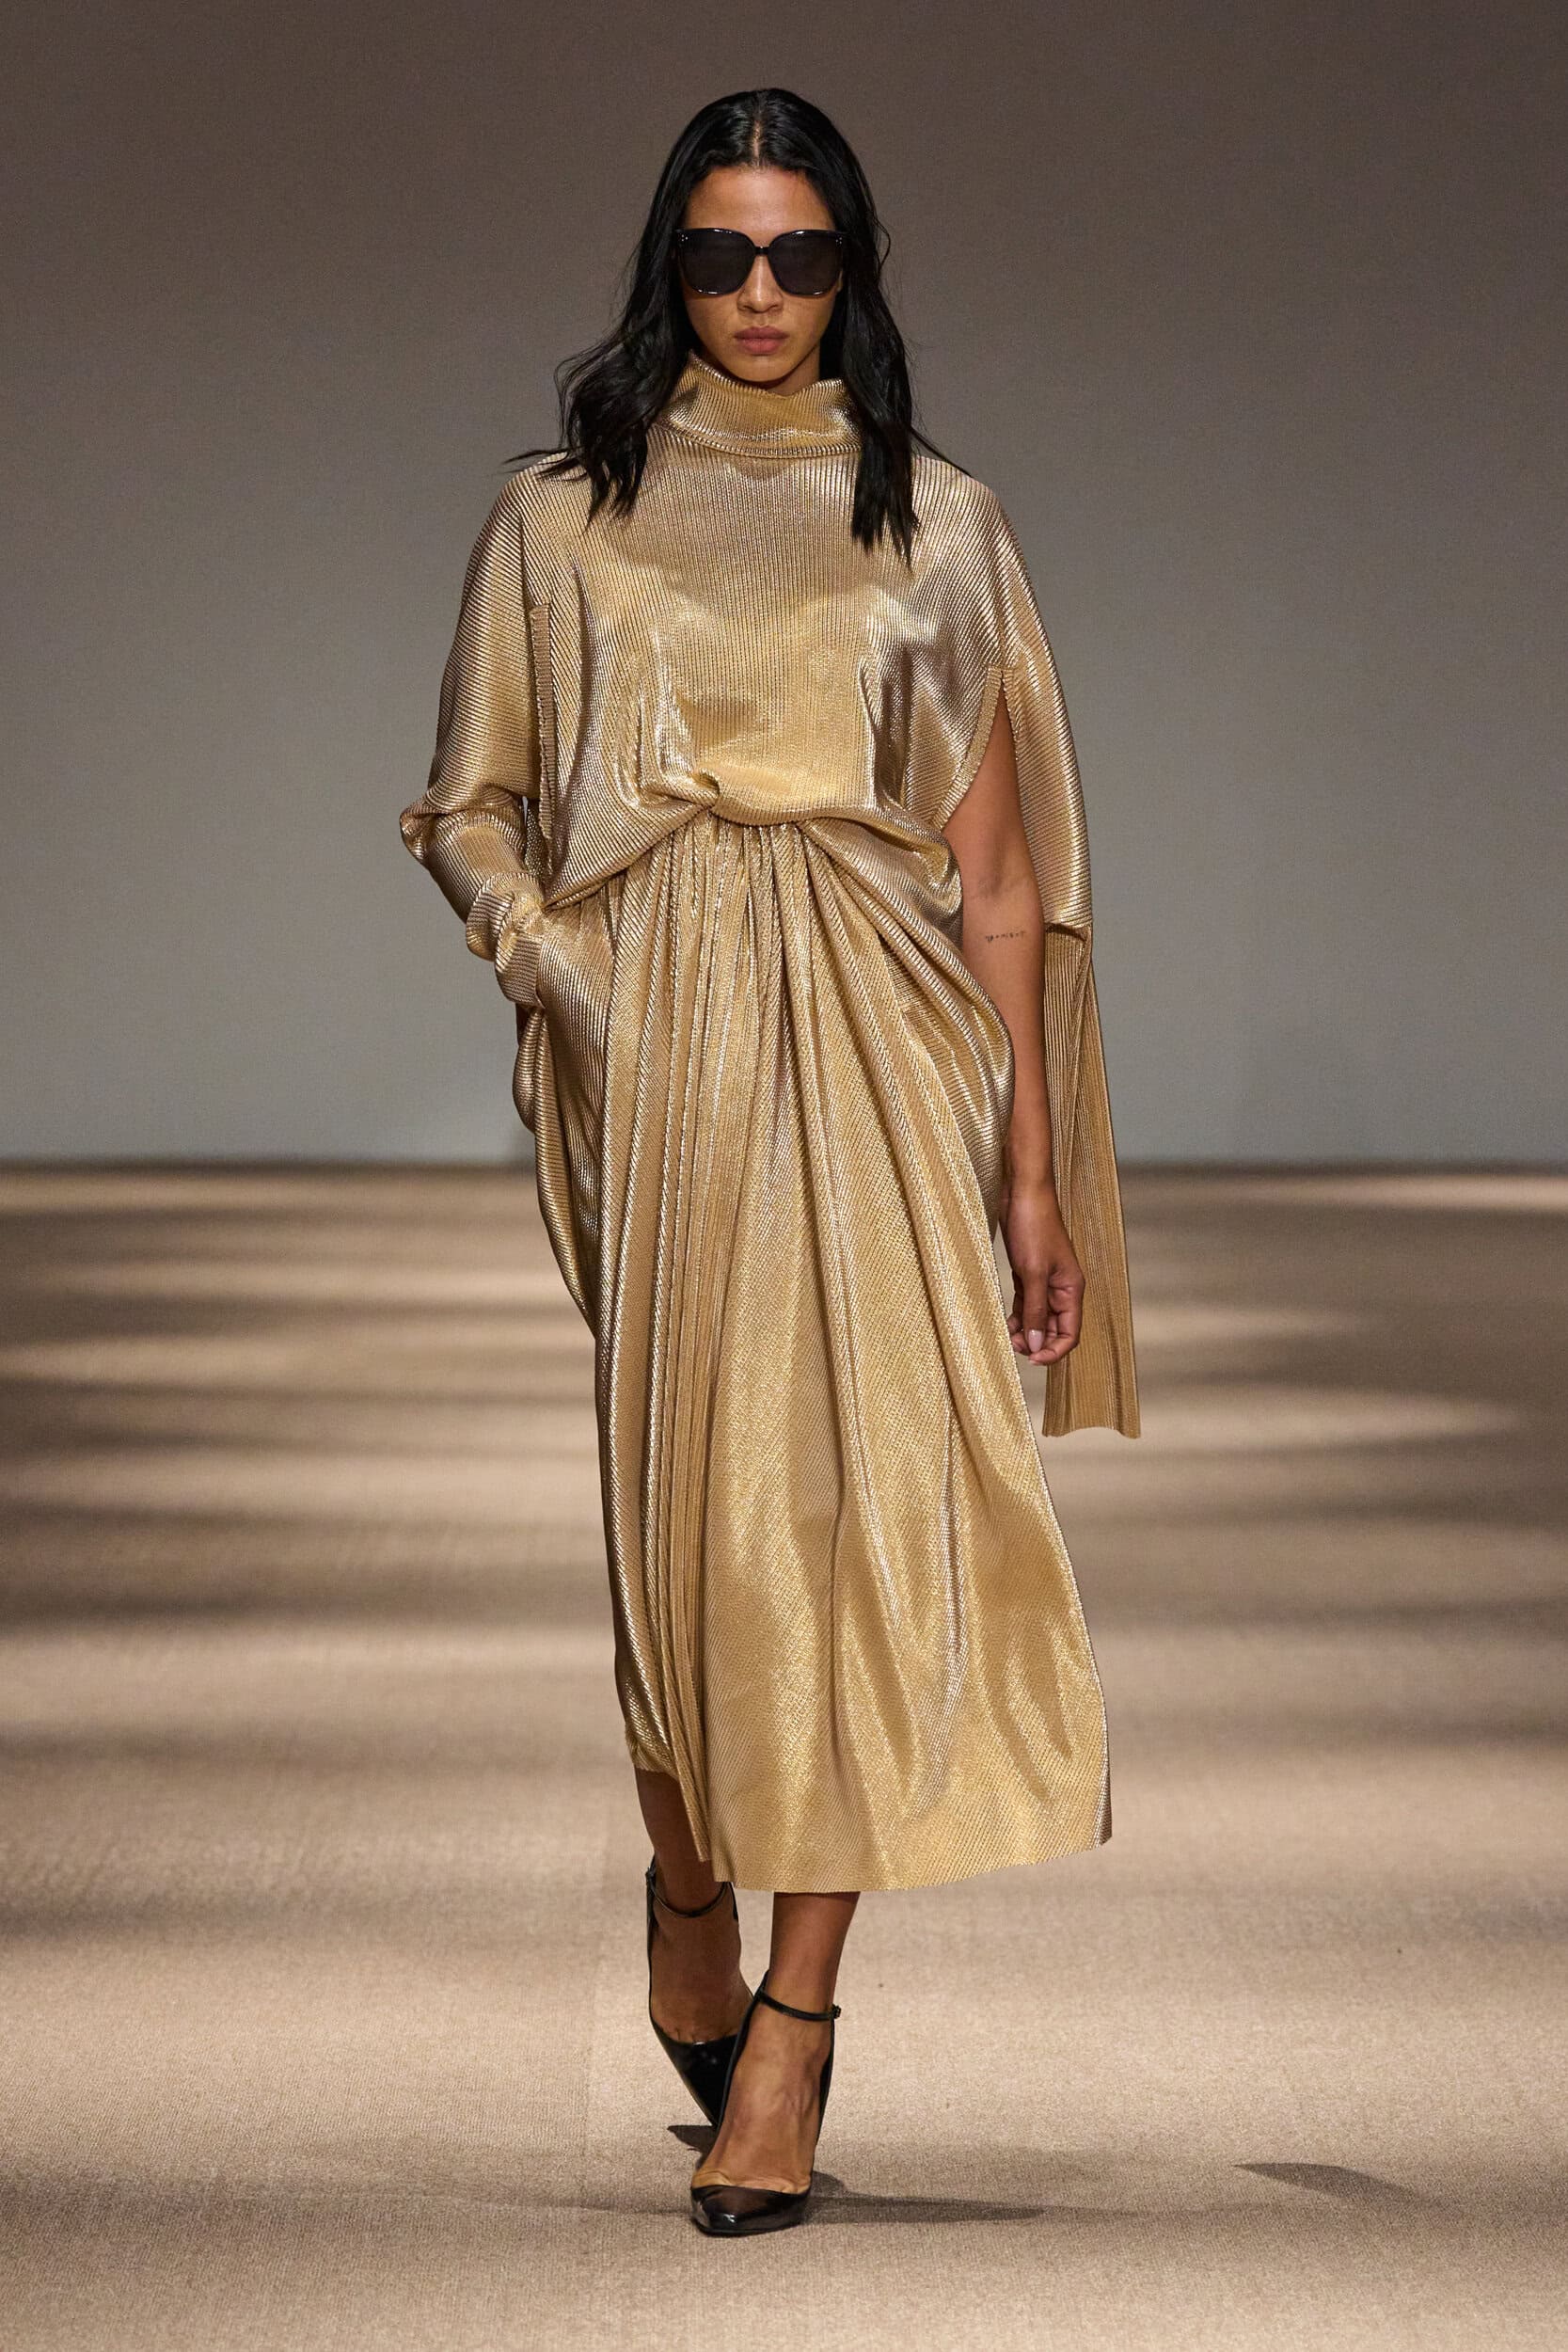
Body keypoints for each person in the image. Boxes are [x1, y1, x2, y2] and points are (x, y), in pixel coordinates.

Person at [400, 87, 1140, 2238]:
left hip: (893, 1043)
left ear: (851, 273)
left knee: (868, 1516)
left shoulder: (945, 522)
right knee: (685, 1532)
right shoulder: (564, 517)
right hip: (661, 1059)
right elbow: (467, 802)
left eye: (797, 255)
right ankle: (688, 1877)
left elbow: (1003, 881)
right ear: (671, 264)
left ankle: (797, 2024)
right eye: (720, 253)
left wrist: (1029, 1173)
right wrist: (562, 967)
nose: (756, 292)